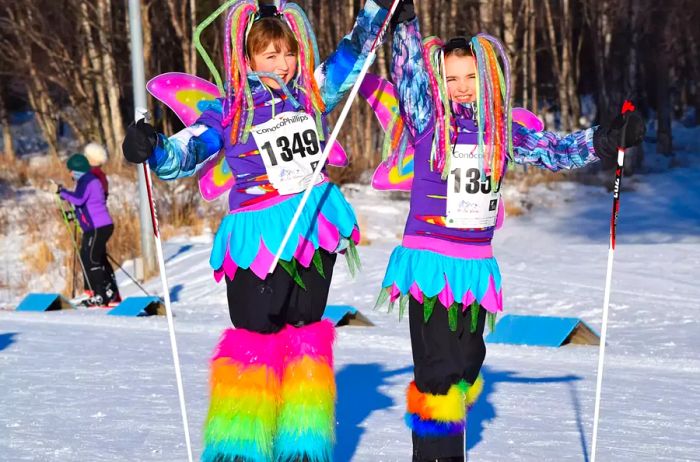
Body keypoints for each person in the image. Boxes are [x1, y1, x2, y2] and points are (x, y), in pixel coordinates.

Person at [122, 1, 396, 460]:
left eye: (287, 53)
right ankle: (241, 449)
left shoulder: (312, 90)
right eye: (270, 55)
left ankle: (302, 448)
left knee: (305, 333)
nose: (283, 65)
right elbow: (184, 153)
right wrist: (153, 148)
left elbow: (354, 52)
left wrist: (378, 11)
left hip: (313, 225)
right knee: (254, 334)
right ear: (246, 58)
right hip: (257, 236)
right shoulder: (227, 109)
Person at [378, 2, 645, 461]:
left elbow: (555, 150)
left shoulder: (500, 132)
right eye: (451, 78)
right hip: (430, 262)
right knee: (437, 370)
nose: (461, 88)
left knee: (465, 364)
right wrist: (404, 21)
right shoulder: (428, 122)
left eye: (470, 78)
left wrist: (605, 138)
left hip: (475, 268)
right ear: (439, 83)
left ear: (487, 80)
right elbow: (408, 77)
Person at [53, 153, 120, 307]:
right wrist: (72, 214)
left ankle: (101, 295)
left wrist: (61, 192)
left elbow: (78, 199)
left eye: (70, 170)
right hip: (94, 227)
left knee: (91, 259)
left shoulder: (88, 180)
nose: (70, 174)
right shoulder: (85, 180)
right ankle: (107, 291)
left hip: (98, 226)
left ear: (77, 170)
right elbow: (85, 205)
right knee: (91, 257)